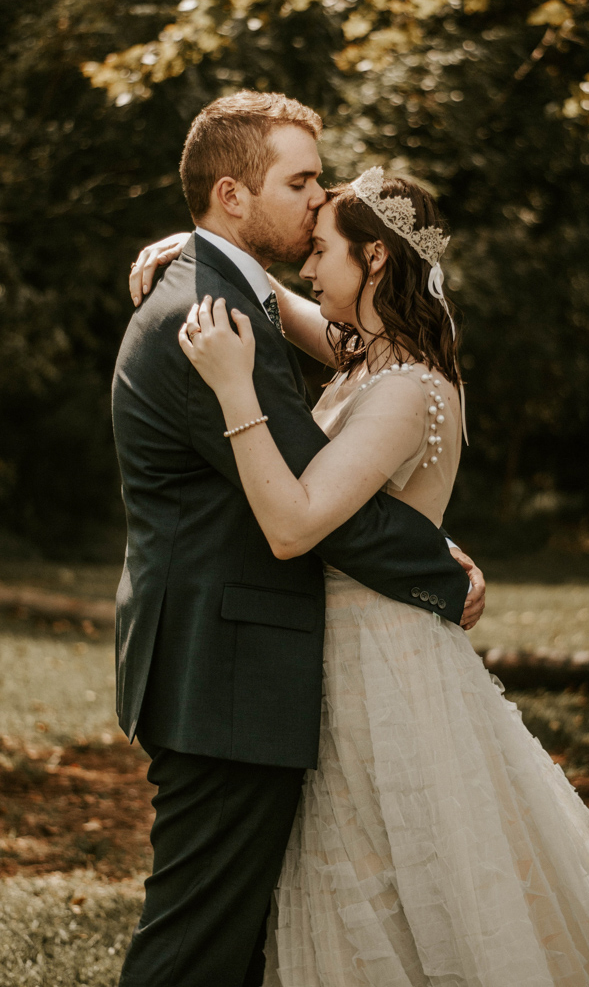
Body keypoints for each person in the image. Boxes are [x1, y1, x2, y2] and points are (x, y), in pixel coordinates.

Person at [172, 167, 589, 986]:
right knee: (363, 880)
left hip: (386, 668)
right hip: (344, 652)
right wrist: (192, 248)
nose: (310, 268)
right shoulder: (367, 359)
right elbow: (276, 298)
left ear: (375, 259)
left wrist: (235, 389)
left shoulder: (406, 387)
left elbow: (294, 526)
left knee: (410, 879)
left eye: (322, 251)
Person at [113, 91, 484, 987]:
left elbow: (340, 417)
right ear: (234, 196)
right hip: (225, 673)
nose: (319, 201)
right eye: (303, 181)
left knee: (249, 940)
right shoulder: (210, 321)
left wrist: (193, 246)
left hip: (241, 670)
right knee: (199, 945)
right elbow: (315, 503)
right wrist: (442, 565)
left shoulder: (234, 295)